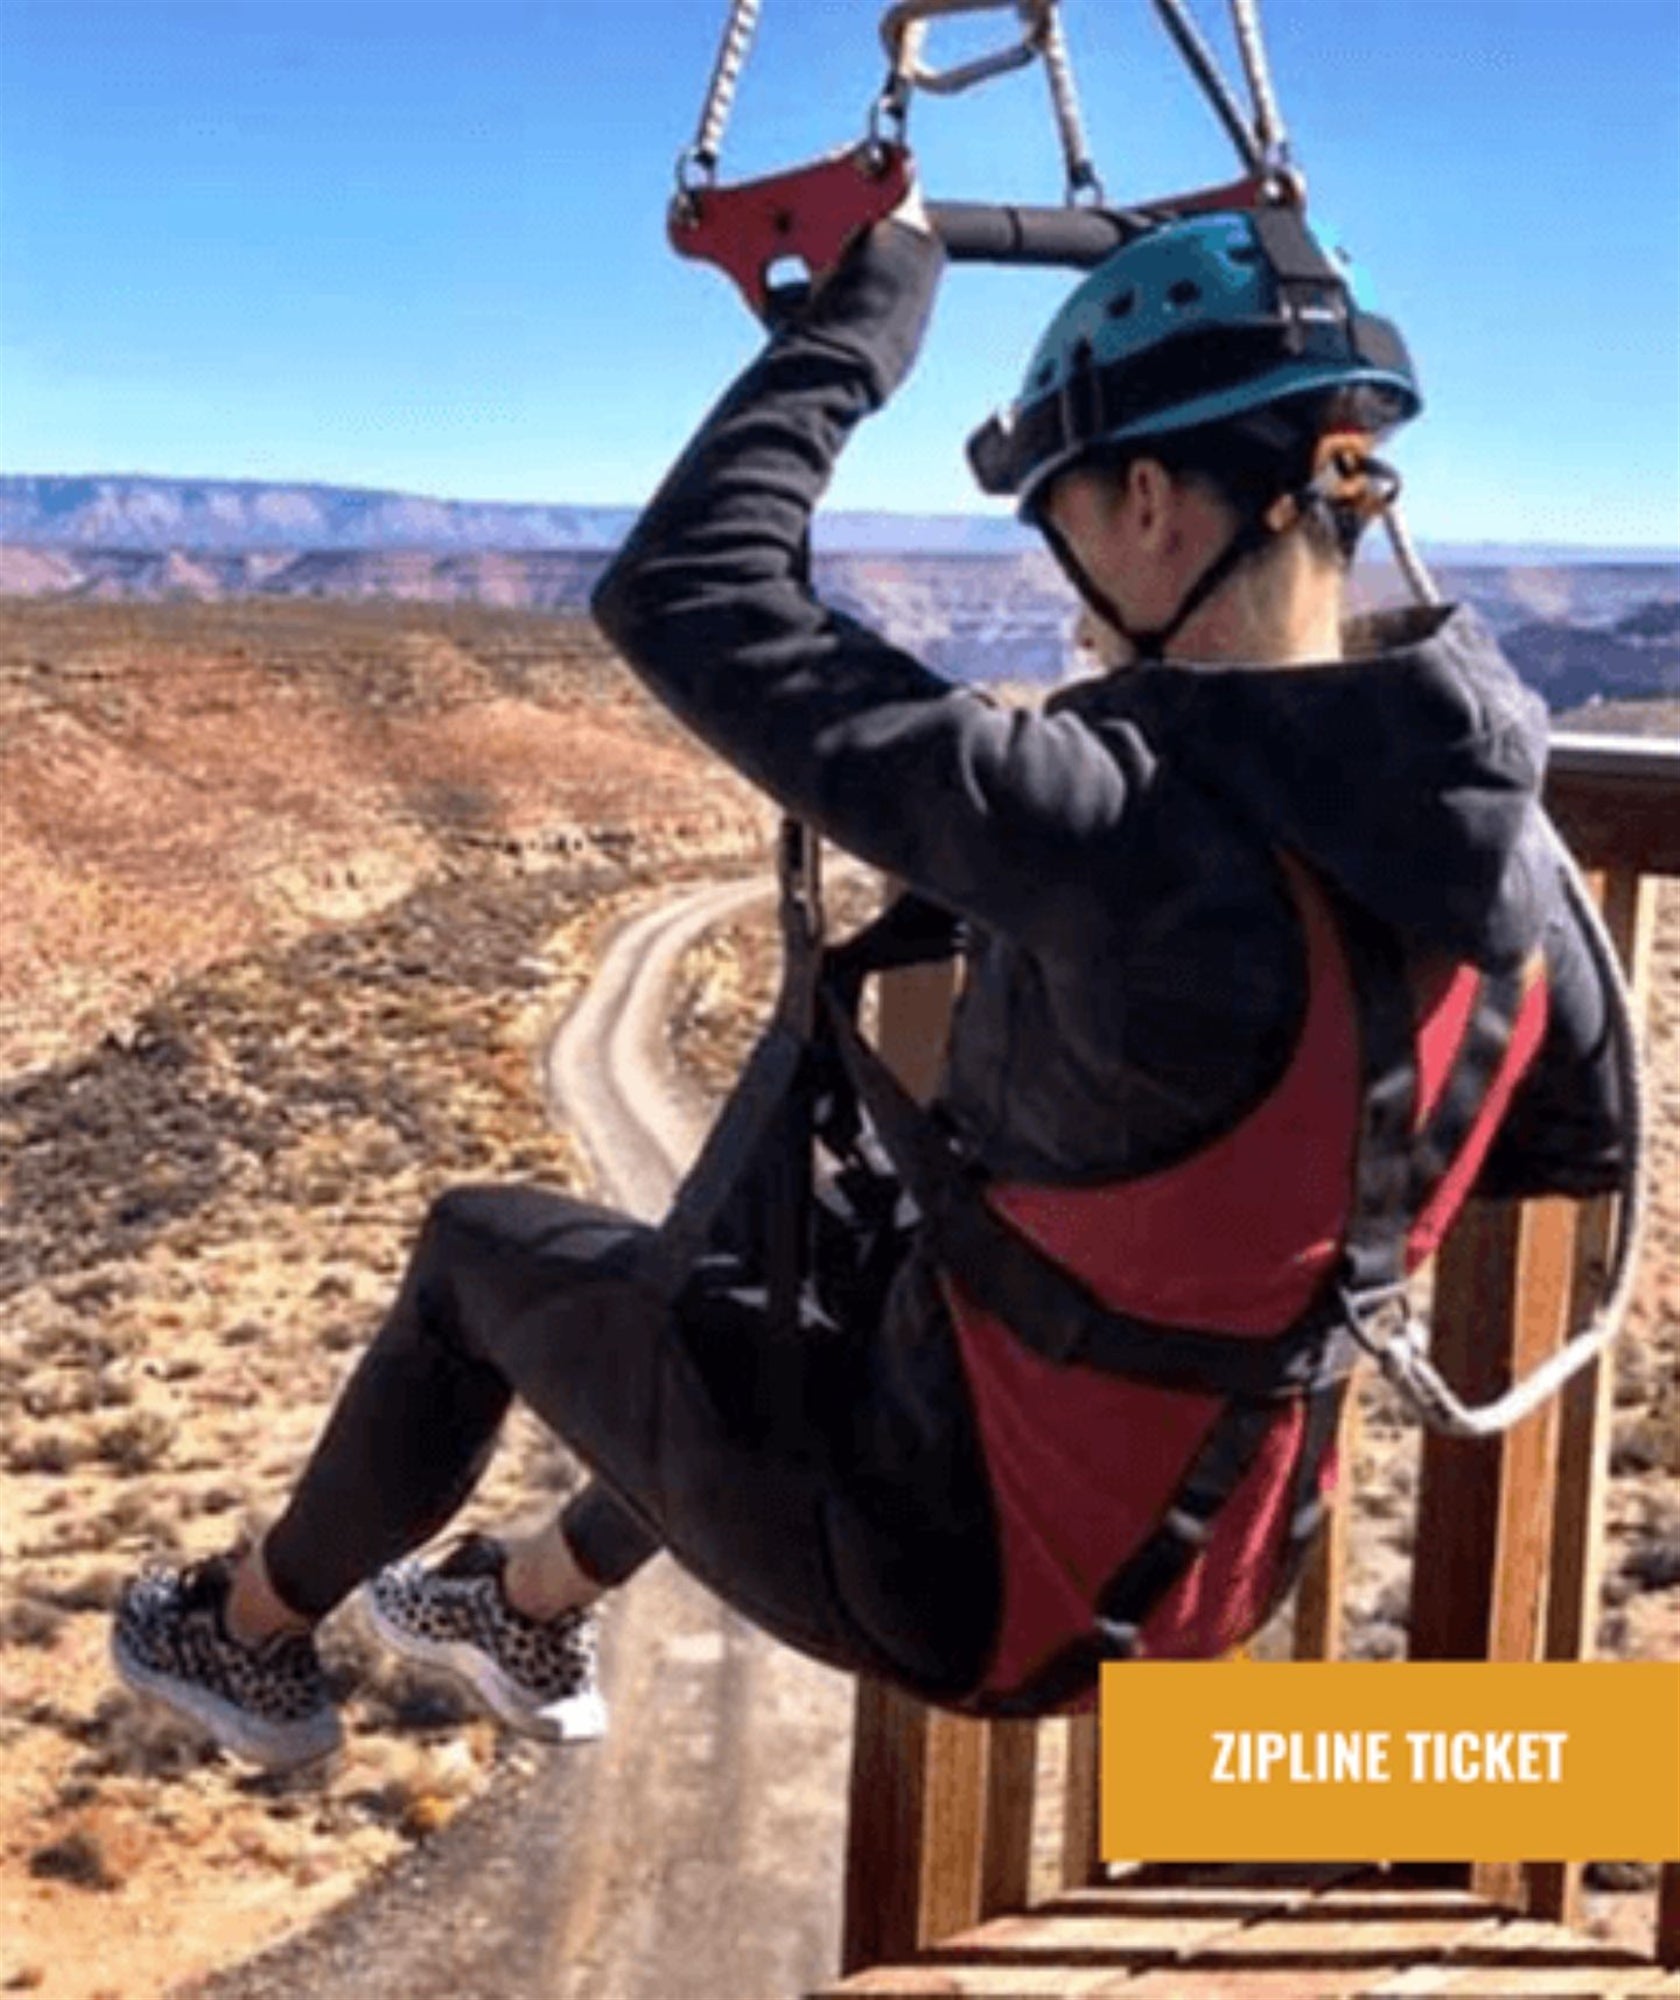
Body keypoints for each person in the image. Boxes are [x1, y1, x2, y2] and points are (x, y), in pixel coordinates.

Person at [111, 190, 1626, 1768]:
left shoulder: (1115, 824)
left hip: (966, 1584)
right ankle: (526, 1604)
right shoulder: (1502, 851)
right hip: (1219, 1568)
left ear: (1153, 503)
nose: (1066, 592)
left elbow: (686, 588)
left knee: (476, 1257)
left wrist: (871, 300)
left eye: (1062, 518)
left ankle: (247, 1641)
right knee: (820, 1257)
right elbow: (1563, 1139)